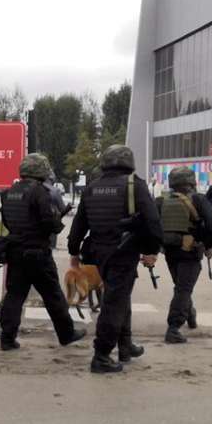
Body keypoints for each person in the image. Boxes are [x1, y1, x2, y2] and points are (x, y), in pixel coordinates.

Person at [67, 145, 163, 374]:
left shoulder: (93, 187)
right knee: (114, 304)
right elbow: (152, 221)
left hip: (98, 253)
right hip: (124, 252)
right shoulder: (135, 185)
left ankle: (125, 345)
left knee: (119, 297)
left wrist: (74, 251)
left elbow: (79, 223)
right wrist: (152, 250)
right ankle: (101, 355)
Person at [0, 154, 86, 351]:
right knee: (53, 295)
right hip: (38, 253)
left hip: (16, 251)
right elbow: (50, 223)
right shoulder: (39, 192)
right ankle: (66, 334)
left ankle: (7, 338)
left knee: (14, 296)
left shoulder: (8, 193)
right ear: (41, 170)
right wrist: (57, 221)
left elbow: (7, 221)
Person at [156, 167, 212, 344]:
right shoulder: (197, 199)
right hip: (191, 251)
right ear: (192, 182)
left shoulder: (161, 200)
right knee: (183, 288)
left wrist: (157, 247)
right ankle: (173, 328)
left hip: (170, 251)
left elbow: (151, 225)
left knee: (182, 286)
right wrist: (209, 245)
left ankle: (190, 315)